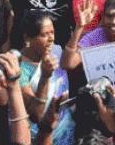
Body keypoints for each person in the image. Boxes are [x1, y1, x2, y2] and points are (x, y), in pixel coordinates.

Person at [17, 11, 75, 144]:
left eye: (52, 32)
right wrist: (45, 77)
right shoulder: (19, 68)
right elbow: (36, 115)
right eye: (44, 34)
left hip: (65, 129)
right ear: (28, 38)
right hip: (40, 136)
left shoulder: (56, 50)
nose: (51, 39)